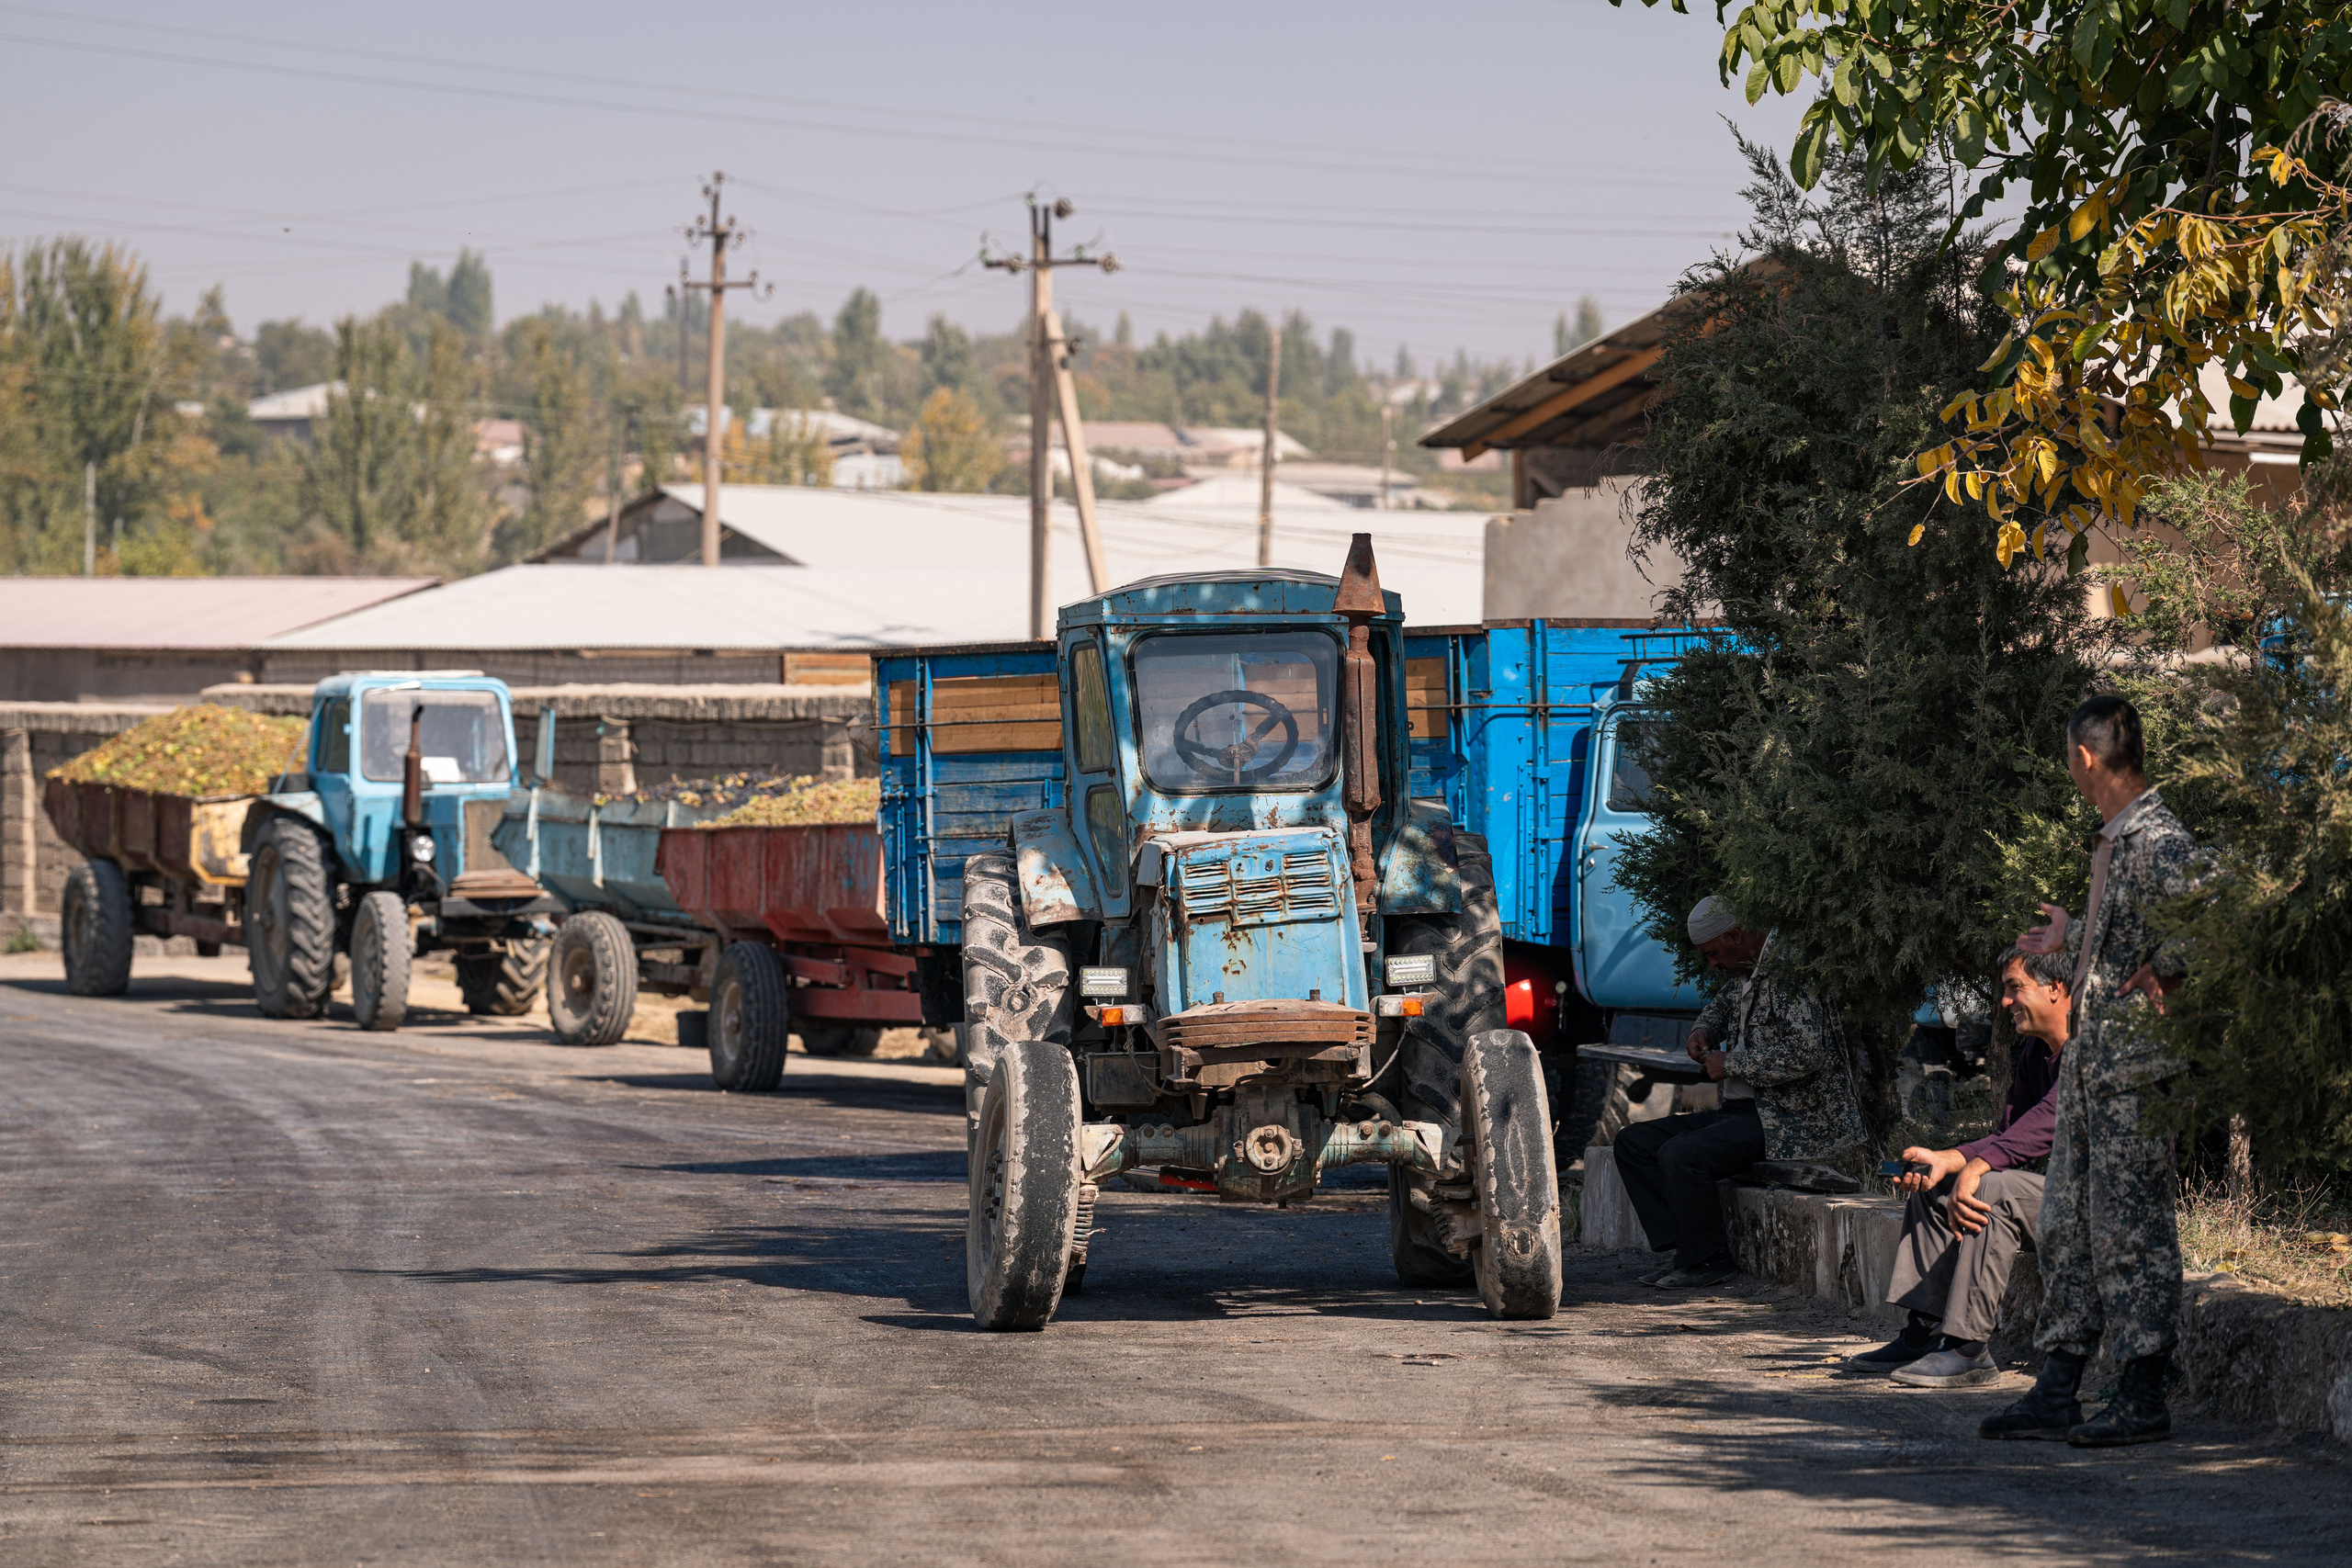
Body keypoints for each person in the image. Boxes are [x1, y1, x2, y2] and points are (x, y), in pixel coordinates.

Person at [1981, 694, 2201, 1448]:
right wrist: (2073, 936)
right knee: (2069, 1224)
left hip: (2132, 1075)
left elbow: (2221, 913)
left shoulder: (2157, 838)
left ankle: (2142, 1394)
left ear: (2084, 757)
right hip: (2091, 1068)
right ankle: (2058, 1386)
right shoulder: (2116, 841)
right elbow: (2123, 945)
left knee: (2131, 1230)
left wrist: (2170, 971)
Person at [1614, 896, 1867, 1289]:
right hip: (1743, 1114)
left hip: (1786, 1121)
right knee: (1634, 1142)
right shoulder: (1749, 967)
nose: (1712, 964)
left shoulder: (1788, 971)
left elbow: (1806, 1054)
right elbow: (1725, 1002)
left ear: (1736, 935)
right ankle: (1687, 1251)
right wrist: (1703, 1030)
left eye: (1714, 953)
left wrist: (1729, 1064)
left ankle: (1710, 1261)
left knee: (1681, 1155)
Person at [1849, 944, 2069, 1387]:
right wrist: (1949, 1160)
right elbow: (2014, 1134)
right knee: (1940, 1185)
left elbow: (2054, 1119)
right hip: (2065, 1198)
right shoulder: (2035, 1054)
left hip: (2113, 1207)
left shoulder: (2095, 1047)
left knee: (1989, 1189)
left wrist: (1977, 1168)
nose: (2005, 1002)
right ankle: (1924, 1333)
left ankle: (1969, 1351)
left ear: (2056, 989)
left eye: (2015, 989)